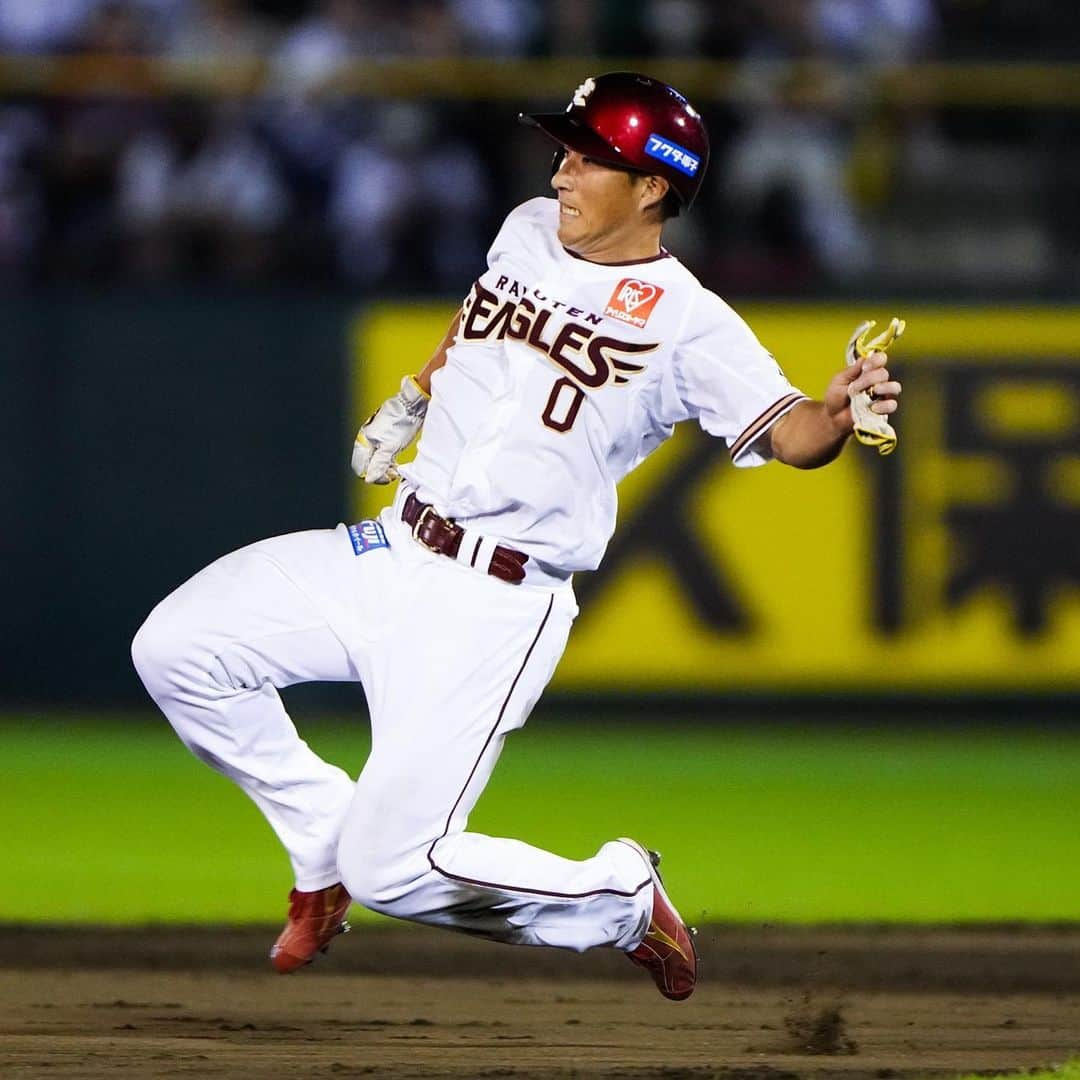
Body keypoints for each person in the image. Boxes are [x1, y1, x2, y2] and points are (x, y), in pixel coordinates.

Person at [131, 72, 902, 1003]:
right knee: (178, 650)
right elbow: (476, 325)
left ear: (653, 186)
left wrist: (833, 411)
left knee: (399, 871)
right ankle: (318, 838)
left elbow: (787, 433)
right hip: (393, 548)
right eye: (563, 150)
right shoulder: (526, 229)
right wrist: (415, 396)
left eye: (589, 157)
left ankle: (618, 898)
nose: (563, 171)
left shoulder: (691, 323)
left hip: (492, 602)